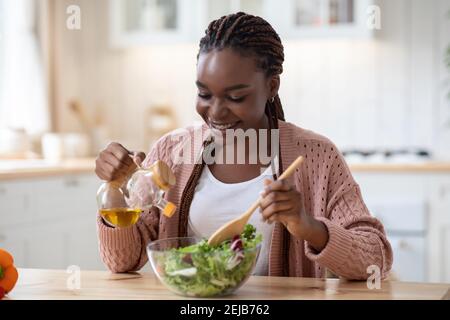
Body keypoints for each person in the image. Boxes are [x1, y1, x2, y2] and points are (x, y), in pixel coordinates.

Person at [95, 12, 393, 279]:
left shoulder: (316, 157)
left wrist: (309, 227)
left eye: (236, 97)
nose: (215, 112)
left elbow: (375, 259)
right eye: (204, 94)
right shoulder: (172, 152)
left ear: (272, 87)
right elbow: (122, 262)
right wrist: (118, 191)